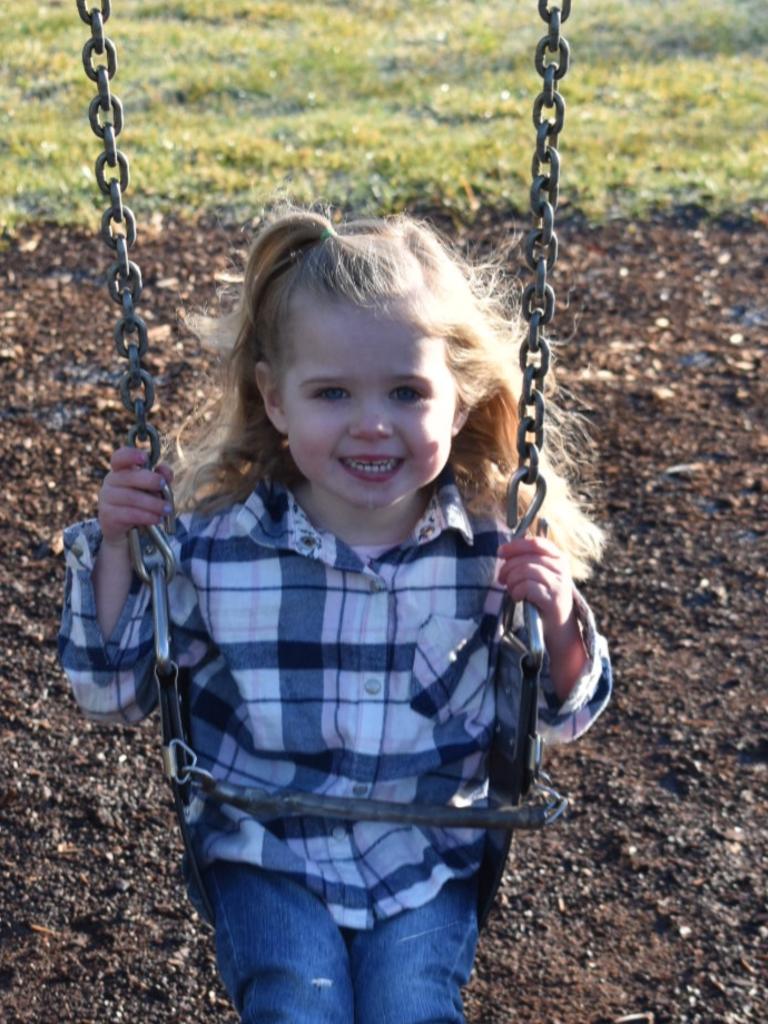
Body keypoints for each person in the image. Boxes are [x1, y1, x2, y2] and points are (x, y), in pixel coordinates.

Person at [59, 207, 611, 1023]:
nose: (371, 423)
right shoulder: (217, 547)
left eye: (405, 390)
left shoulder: (491, 551)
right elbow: (111, 696)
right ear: (275, 401)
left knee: (411, 1008)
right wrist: (115, 546)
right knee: (295, 1004)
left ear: (459, 401)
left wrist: (560, 622)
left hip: (423, 855)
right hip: (264, 849)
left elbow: (558, 718)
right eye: (332, 393)